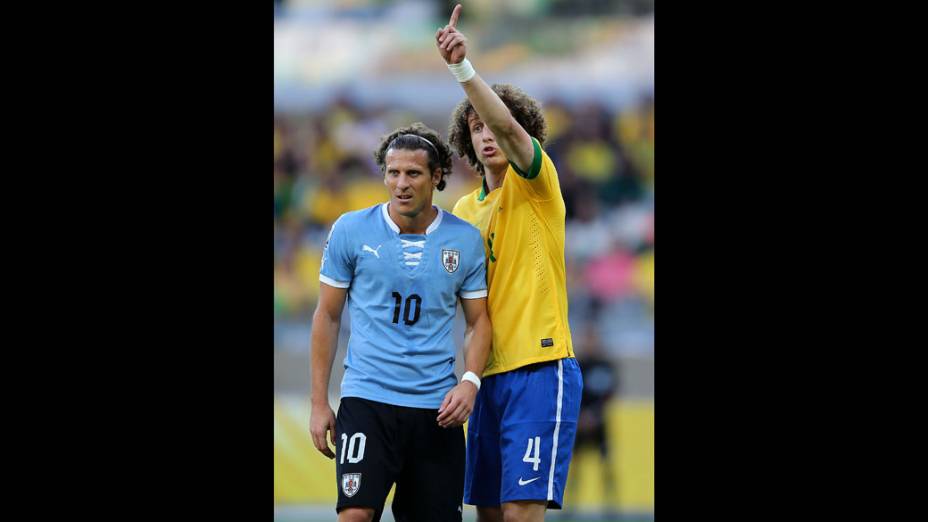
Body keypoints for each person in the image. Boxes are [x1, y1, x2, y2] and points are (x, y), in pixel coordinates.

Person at [435, 5, 583, 521]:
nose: (488, 133)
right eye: (475, 128)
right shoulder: (463, 211)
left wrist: (463, 70)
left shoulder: (538, 184)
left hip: (540, 369)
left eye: (494, 123)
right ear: (467, 141)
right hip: (488, 379)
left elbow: (511, 130)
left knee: (522, 512)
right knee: (491, 514)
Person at [309, 122, 492, 522]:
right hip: (367, 400)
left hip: (436, 409)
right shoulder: (351, 230)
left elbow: (479, 323)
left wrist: (470, 381)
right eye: (393, 172)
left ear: (437, 176)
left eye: (413, 173)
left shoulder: (464, 240)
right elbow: (327, 315)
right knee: (355, 515)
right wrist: (320, 401)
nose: (401, 183)